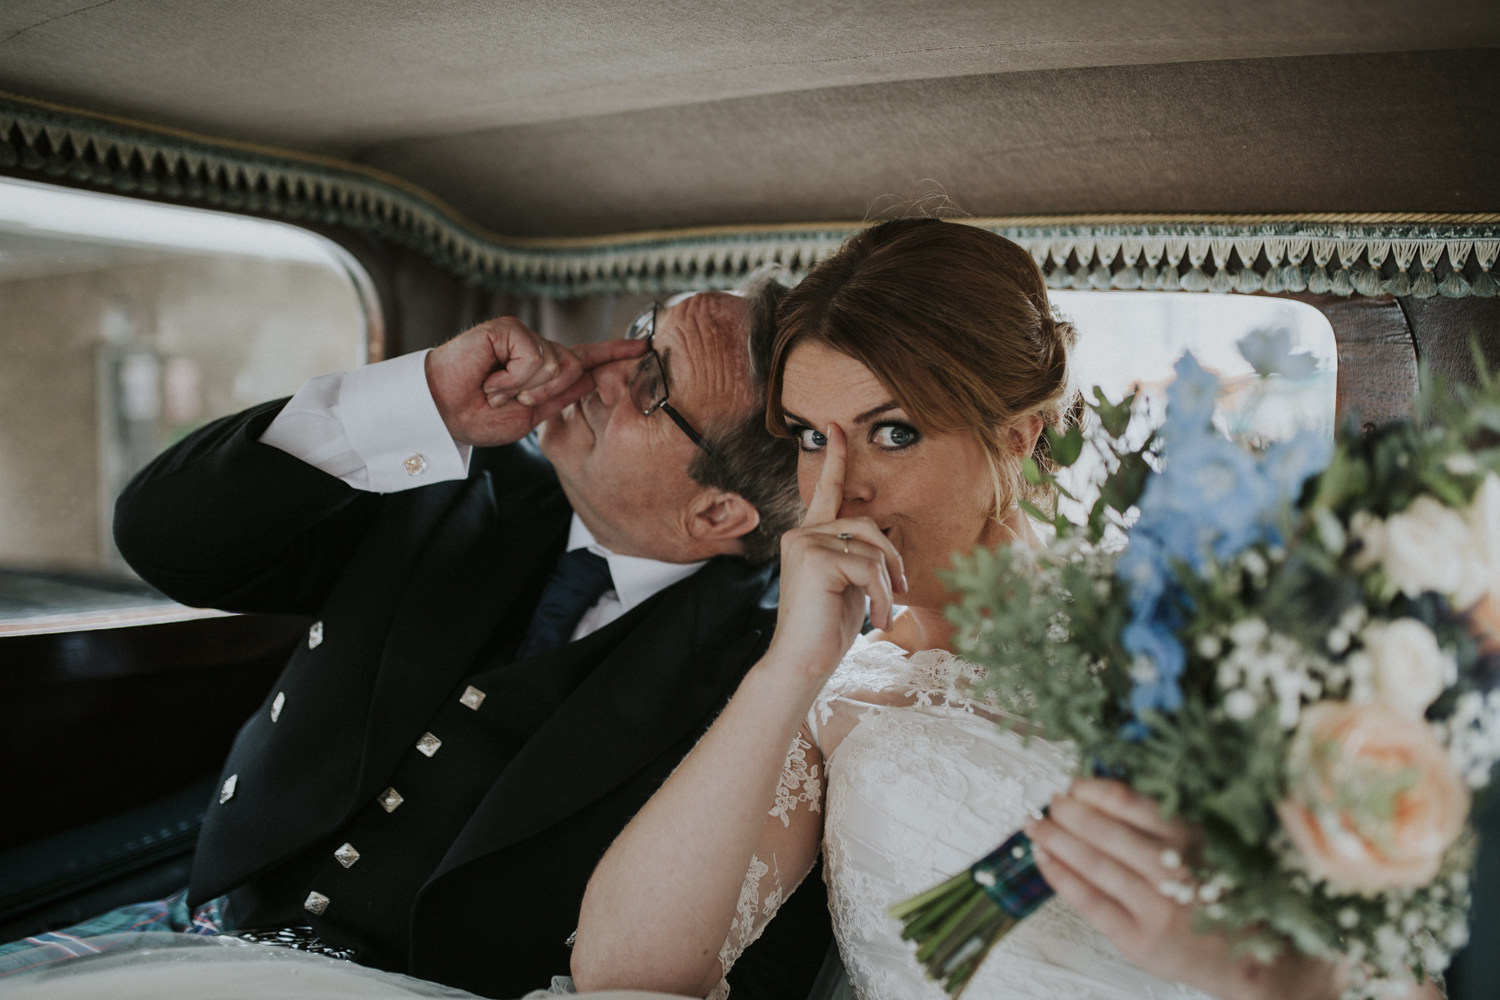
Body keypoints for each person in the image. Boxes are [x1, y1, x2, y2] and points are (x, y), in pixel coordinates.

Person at [572, 220, 1386, 1000]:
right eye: (813, 437)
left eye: (892, 434)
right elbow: (621, 976)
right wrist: (789, 667)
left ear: (1019, 435)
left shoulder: (1204, 625)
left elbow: (1397, 971)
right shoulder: (831, 700)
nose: (836, 489)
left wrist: (1254, 972)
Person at [12, 284, 833, 999]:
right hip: (196, 934)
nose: (598, 366)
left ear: (720, 513)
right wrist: (427, 398)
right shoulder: (444, 475)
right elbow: (165, 540)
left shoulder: (772, 684)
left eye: (651, 383)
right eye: (642, 331)